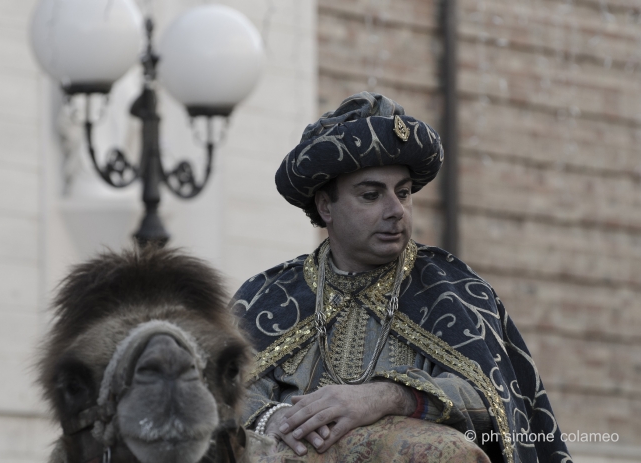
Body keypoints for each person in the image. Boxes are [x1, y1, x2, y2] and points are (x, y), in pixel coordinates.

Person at [231, 93, 571, 463]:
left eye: (404, 193)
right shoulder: (268, 295)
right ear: (326, 206)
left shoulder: (453, 289)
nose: (395, 210)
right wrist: (273, 417)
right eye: (371, 195)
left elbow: (491, 398)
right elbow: (220, 385)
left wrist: (388, 397)